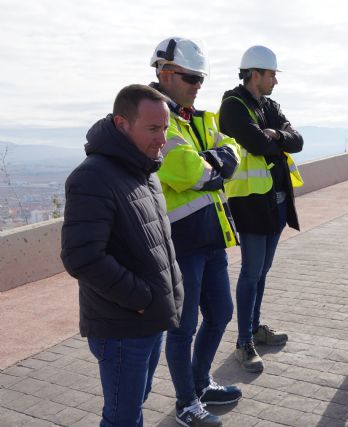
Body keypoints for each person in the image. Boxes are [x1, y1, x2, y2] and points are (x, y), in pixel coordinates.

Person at [60, 84, 183, 427]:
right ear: (121, 124)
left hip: (149, 320)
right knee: (122, 418)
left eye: (166, 127)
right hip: (123, 325)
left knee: (134, 405)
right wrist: (141, 298)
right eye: (153, 128)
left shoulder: (144, 170)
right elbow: (82, 257)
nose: (163, 138)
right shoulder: (92, 177)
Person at [150, 37, 242, 427]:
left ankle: (201, 382)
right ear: (164, 73)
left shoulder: (199, 118)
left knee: (221, 312)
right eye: (190, 77)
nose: (197, 84)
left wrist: (213, 164)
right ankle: (186, 402)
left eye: (201, 77)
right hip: (182, 241)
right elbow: (184, 170)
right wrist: (211, 167)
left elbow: (233, 151)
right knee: (184, 327)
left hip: (211, 234)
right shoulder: (158, 119)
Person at [218, 45, 304, 372]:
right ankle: (243, 342)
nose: (275, 82)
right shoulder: (233, 106)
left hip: (277, 203)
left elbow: (297, 140)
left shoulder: (269, 105)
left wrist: (277, 135)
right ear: (255, 74)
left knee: (262, 272)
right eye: (272, 76)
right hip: (252, 204)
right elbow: (256, 144)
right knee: (250, 273)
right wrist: (275, 138)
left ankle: (255, 328)